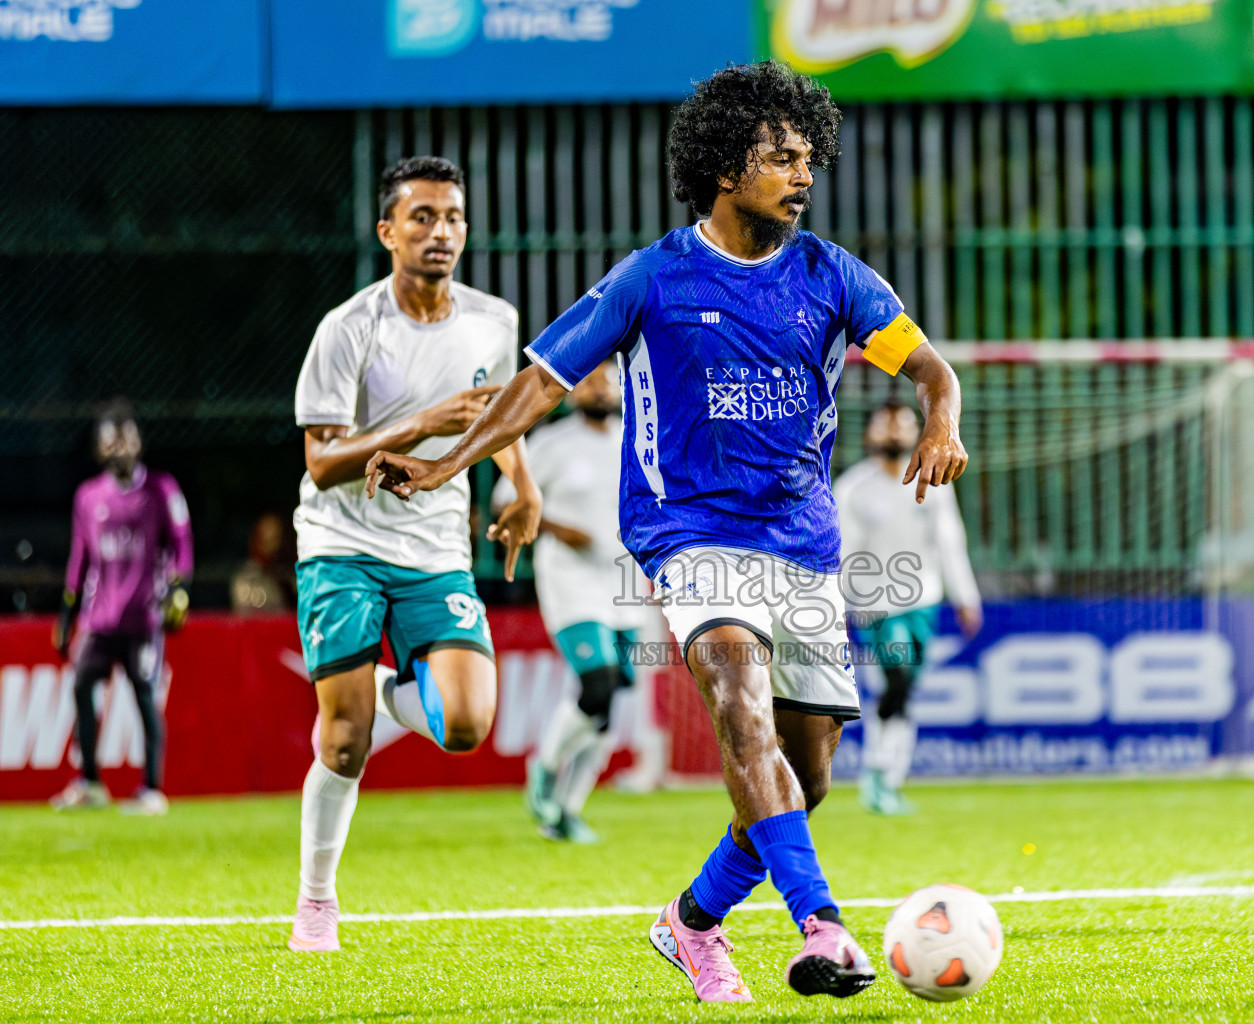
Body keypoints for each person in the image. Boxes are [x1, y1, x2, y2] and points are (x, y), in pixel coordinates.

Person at [363, 63, 969, 1003]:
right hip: (688, 537)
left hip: (803, 543)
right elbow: (539, 383)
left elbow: (930, 366)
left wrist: (942, 419)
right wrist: (448, 463)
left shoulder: (832, 275)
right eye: (779, 156)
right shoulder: (652, 277)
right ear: (725, 167)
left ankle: (690, 923)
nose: (803, 173)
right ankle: (822, 926)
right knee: (737, 692)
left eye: (809, 156)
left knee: (800, 783)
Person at [286, 155, 542, 954]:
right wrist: (420, 424)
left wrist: (521, 489)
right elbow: (322, 463)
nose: (441, 232)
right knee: (344, 744)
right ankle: (317, 902)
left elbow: (499, 416)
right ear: (387, 230)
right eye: (423, 217)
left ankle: (376, 688)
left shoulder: (493, 320)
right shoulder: (349, 327)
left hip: (435, 548)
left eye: (453, 218)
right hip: (342, 544)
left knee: (468, 724)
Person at [491, 359, 643, 843]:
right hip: (570, 582)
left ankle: (567, 811)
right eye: (589, 382)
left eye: (608, 380)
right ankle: (544, 765)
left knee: (612, 701)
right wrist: (557, 528)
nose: (600, 389)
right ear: (573, 393)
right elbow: (503, 501)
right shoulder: (552, 444)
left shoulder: (637, 438)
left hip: (625, 583)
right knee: (596, 684)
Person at [835, 401, 982, 816]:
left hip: (924, 601)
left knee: (904, 692)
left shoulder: (935, 481)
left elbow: (950, 542)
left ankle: (887, 779)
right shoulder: (853, 489)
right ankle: (878, 772)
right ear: (869, 435)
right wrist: (837, 606)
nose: (894, 432)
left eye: (903, 424)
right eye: (885, 425)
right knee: (896, 681)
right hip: (876, 606)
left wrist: (965, 597)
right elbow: (843, 554)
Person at [51, 399, 193, 816]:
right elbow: (80, 560)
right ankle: (90, 782)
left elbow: (182, 546)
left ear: (139, 441)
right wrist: (66, 615)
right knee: (81, 687)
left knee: (146, 697)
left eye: (127, 437)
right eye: (112, 440)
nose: (121, 447)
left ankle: (152, 789)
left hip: (144, 616)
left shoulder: (162, 489)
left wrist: (179, 589)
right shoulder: (88, 496)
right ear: (99, 448)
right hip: (100, 617)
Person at [230, 512, 296, 613]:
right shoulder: (245, 582)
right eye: (269, 541)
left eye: (278, 539)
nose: (275, 548)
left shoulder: (289, 579)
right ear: (256, 541)